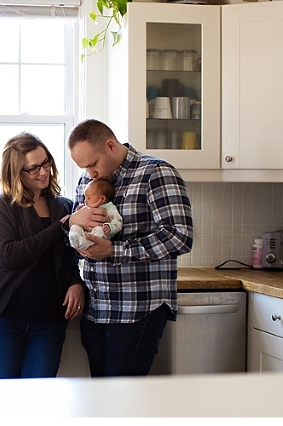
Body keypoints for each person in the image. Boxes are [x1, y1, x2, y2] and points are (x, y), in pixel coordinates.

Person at [66, 119, 192, 377]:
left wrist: (114, 251)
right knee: (101, 402)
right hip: (96, 310)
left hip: (137, 309)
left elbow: (180, 236)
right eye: (84, 167)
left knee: (123, 402)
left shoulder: (156, 173)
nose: (90, 173)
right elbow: (78, 229)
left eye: (92, 164)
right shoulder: (86, 182)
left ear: (110, 146)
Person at [0, 132, 85, 379]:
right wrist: (60, 226)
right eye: (33, 168)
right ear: (16, 173)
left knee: (40, 402)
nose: (43, 172)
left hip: (48, 322)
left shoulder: (64, 206)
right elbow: (9, 257)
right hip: (2, 318)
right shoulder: (2, 205)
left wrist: (76, 282)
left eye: (46, 163)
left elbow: (69, 257)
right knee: (3, 400)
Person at [68, 178, 122, 250]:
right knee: (74, 227)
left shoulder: (110, 208)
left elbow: (118, 221)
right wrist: (79, 211)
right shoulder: (87, 207)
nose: (85, 201)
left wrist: (110, 226)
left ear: (102, 198)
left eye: (89, 198)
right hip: (84, 233)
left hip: (99, 236)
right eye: (85, 198)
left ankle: (86, 243)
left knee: (100, 230)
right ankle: (75, 239)